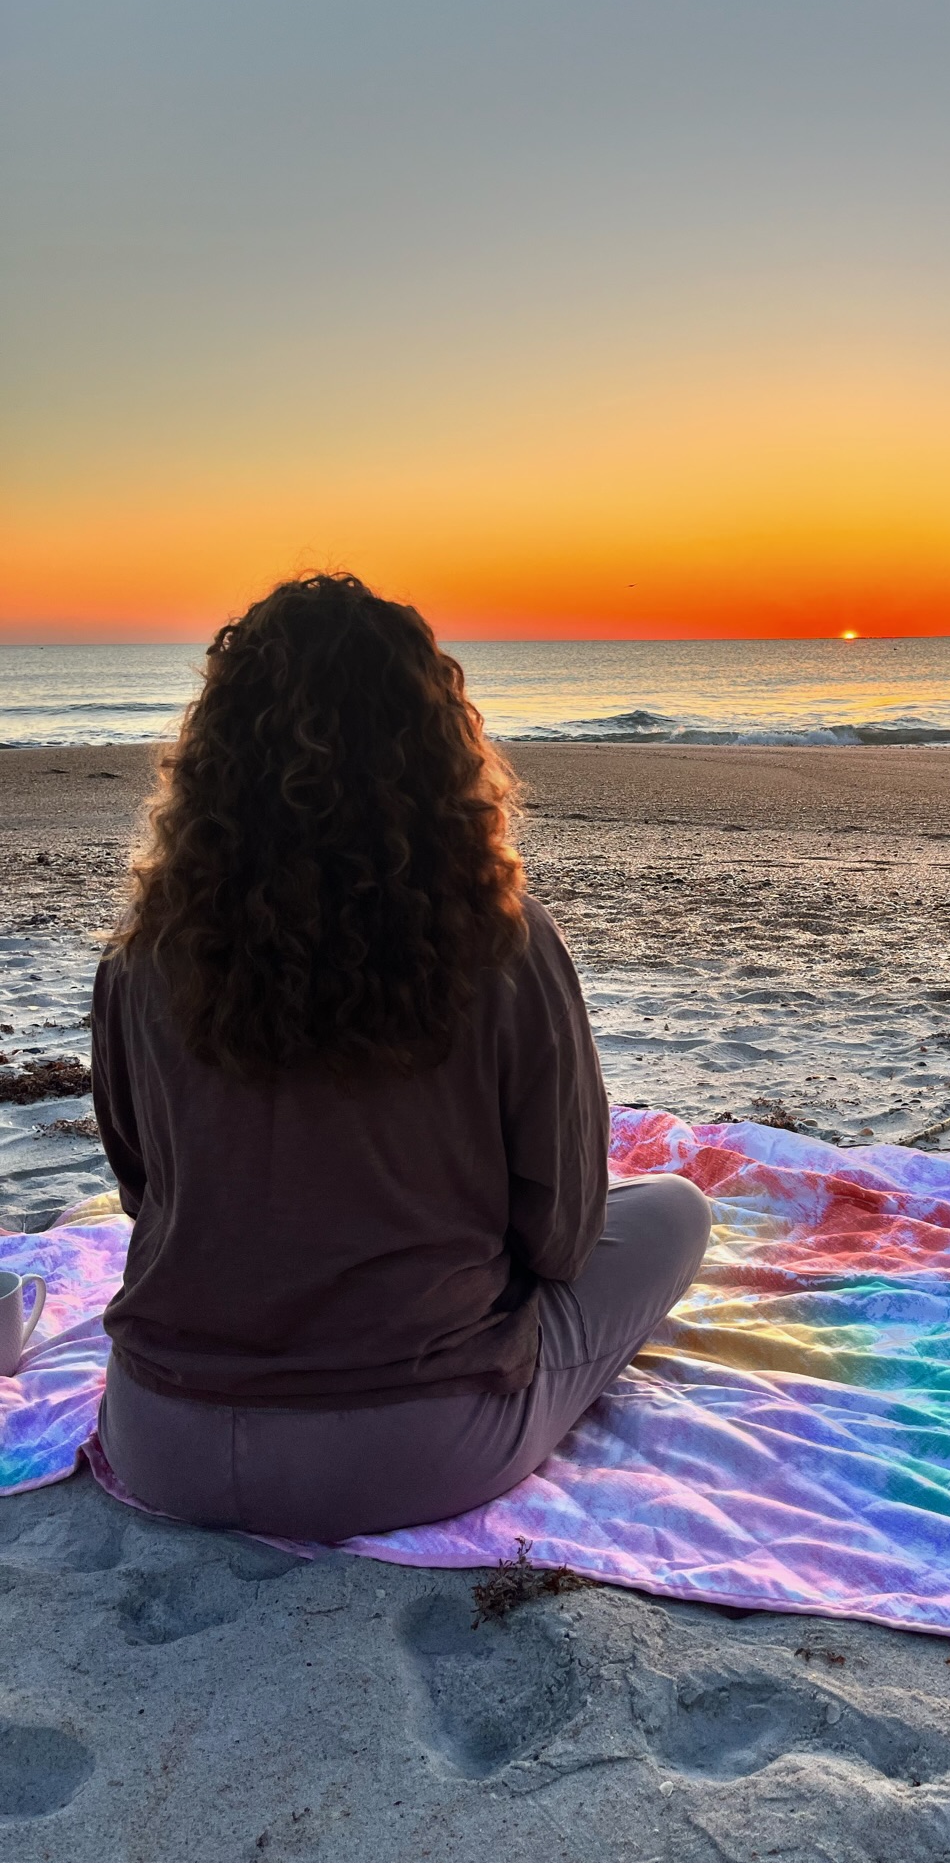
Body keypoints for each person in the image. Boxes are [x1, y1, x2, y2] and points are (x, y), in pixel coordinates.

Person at [92, 572, 710, 1541]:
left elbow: (145, 1195)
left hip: (160, 1435)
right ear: (437, 747)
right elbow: (560, 1236)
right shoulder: (503, 944)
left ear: (216, 754)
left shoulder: (142, 957)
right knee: (675, 1209)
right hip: (412, 1449)